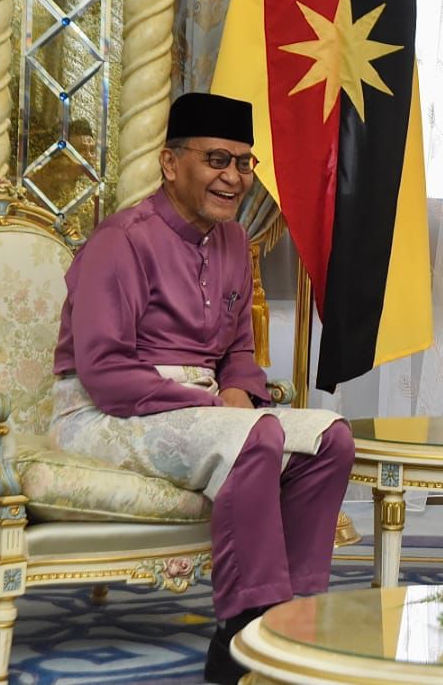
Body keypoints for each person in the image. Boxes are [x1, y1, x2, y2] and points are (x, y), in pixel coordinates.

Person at [50, 92, 354, 684]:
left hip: (204, 409)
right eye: (217, 159)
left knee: (330, 439)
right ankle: (242, 633)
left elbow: (237, 348)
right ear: (170, 163)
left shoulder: (234, 241)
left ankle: (294, 616)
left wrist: (238, 389)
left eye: (244, 163)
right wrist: (215, 404)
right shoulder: (121, 241)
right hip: (103, 413)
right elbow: (105, 371)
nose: (233, 177)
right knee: (255, 438)